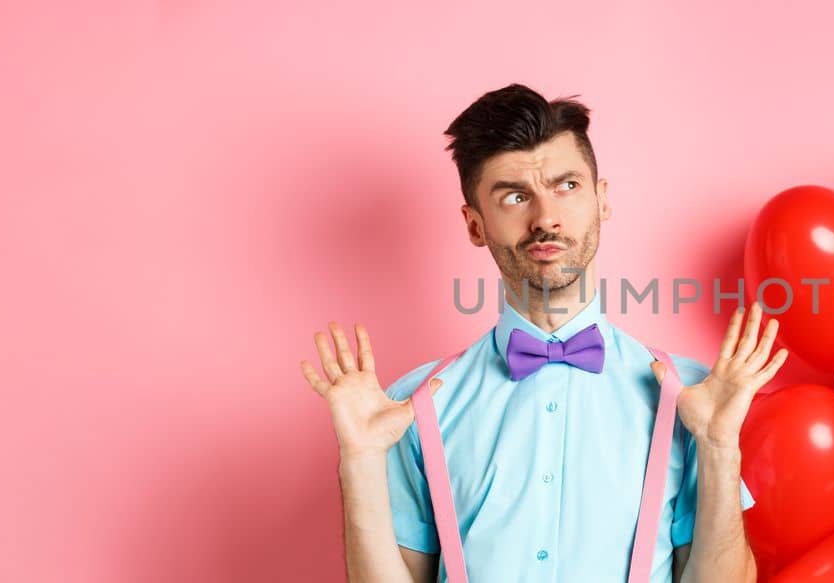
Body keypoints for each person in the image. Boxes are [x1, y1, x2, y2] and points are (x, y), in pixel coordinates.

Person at [299, 84, 788, 583]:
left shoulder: (691, 398)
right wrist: (359, 461)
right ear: (475, 225)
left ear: (601, 200)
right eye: (515, 196)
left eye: (567, 186)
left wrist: (719, 447)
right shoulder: (411, 409)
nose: (545, 218)